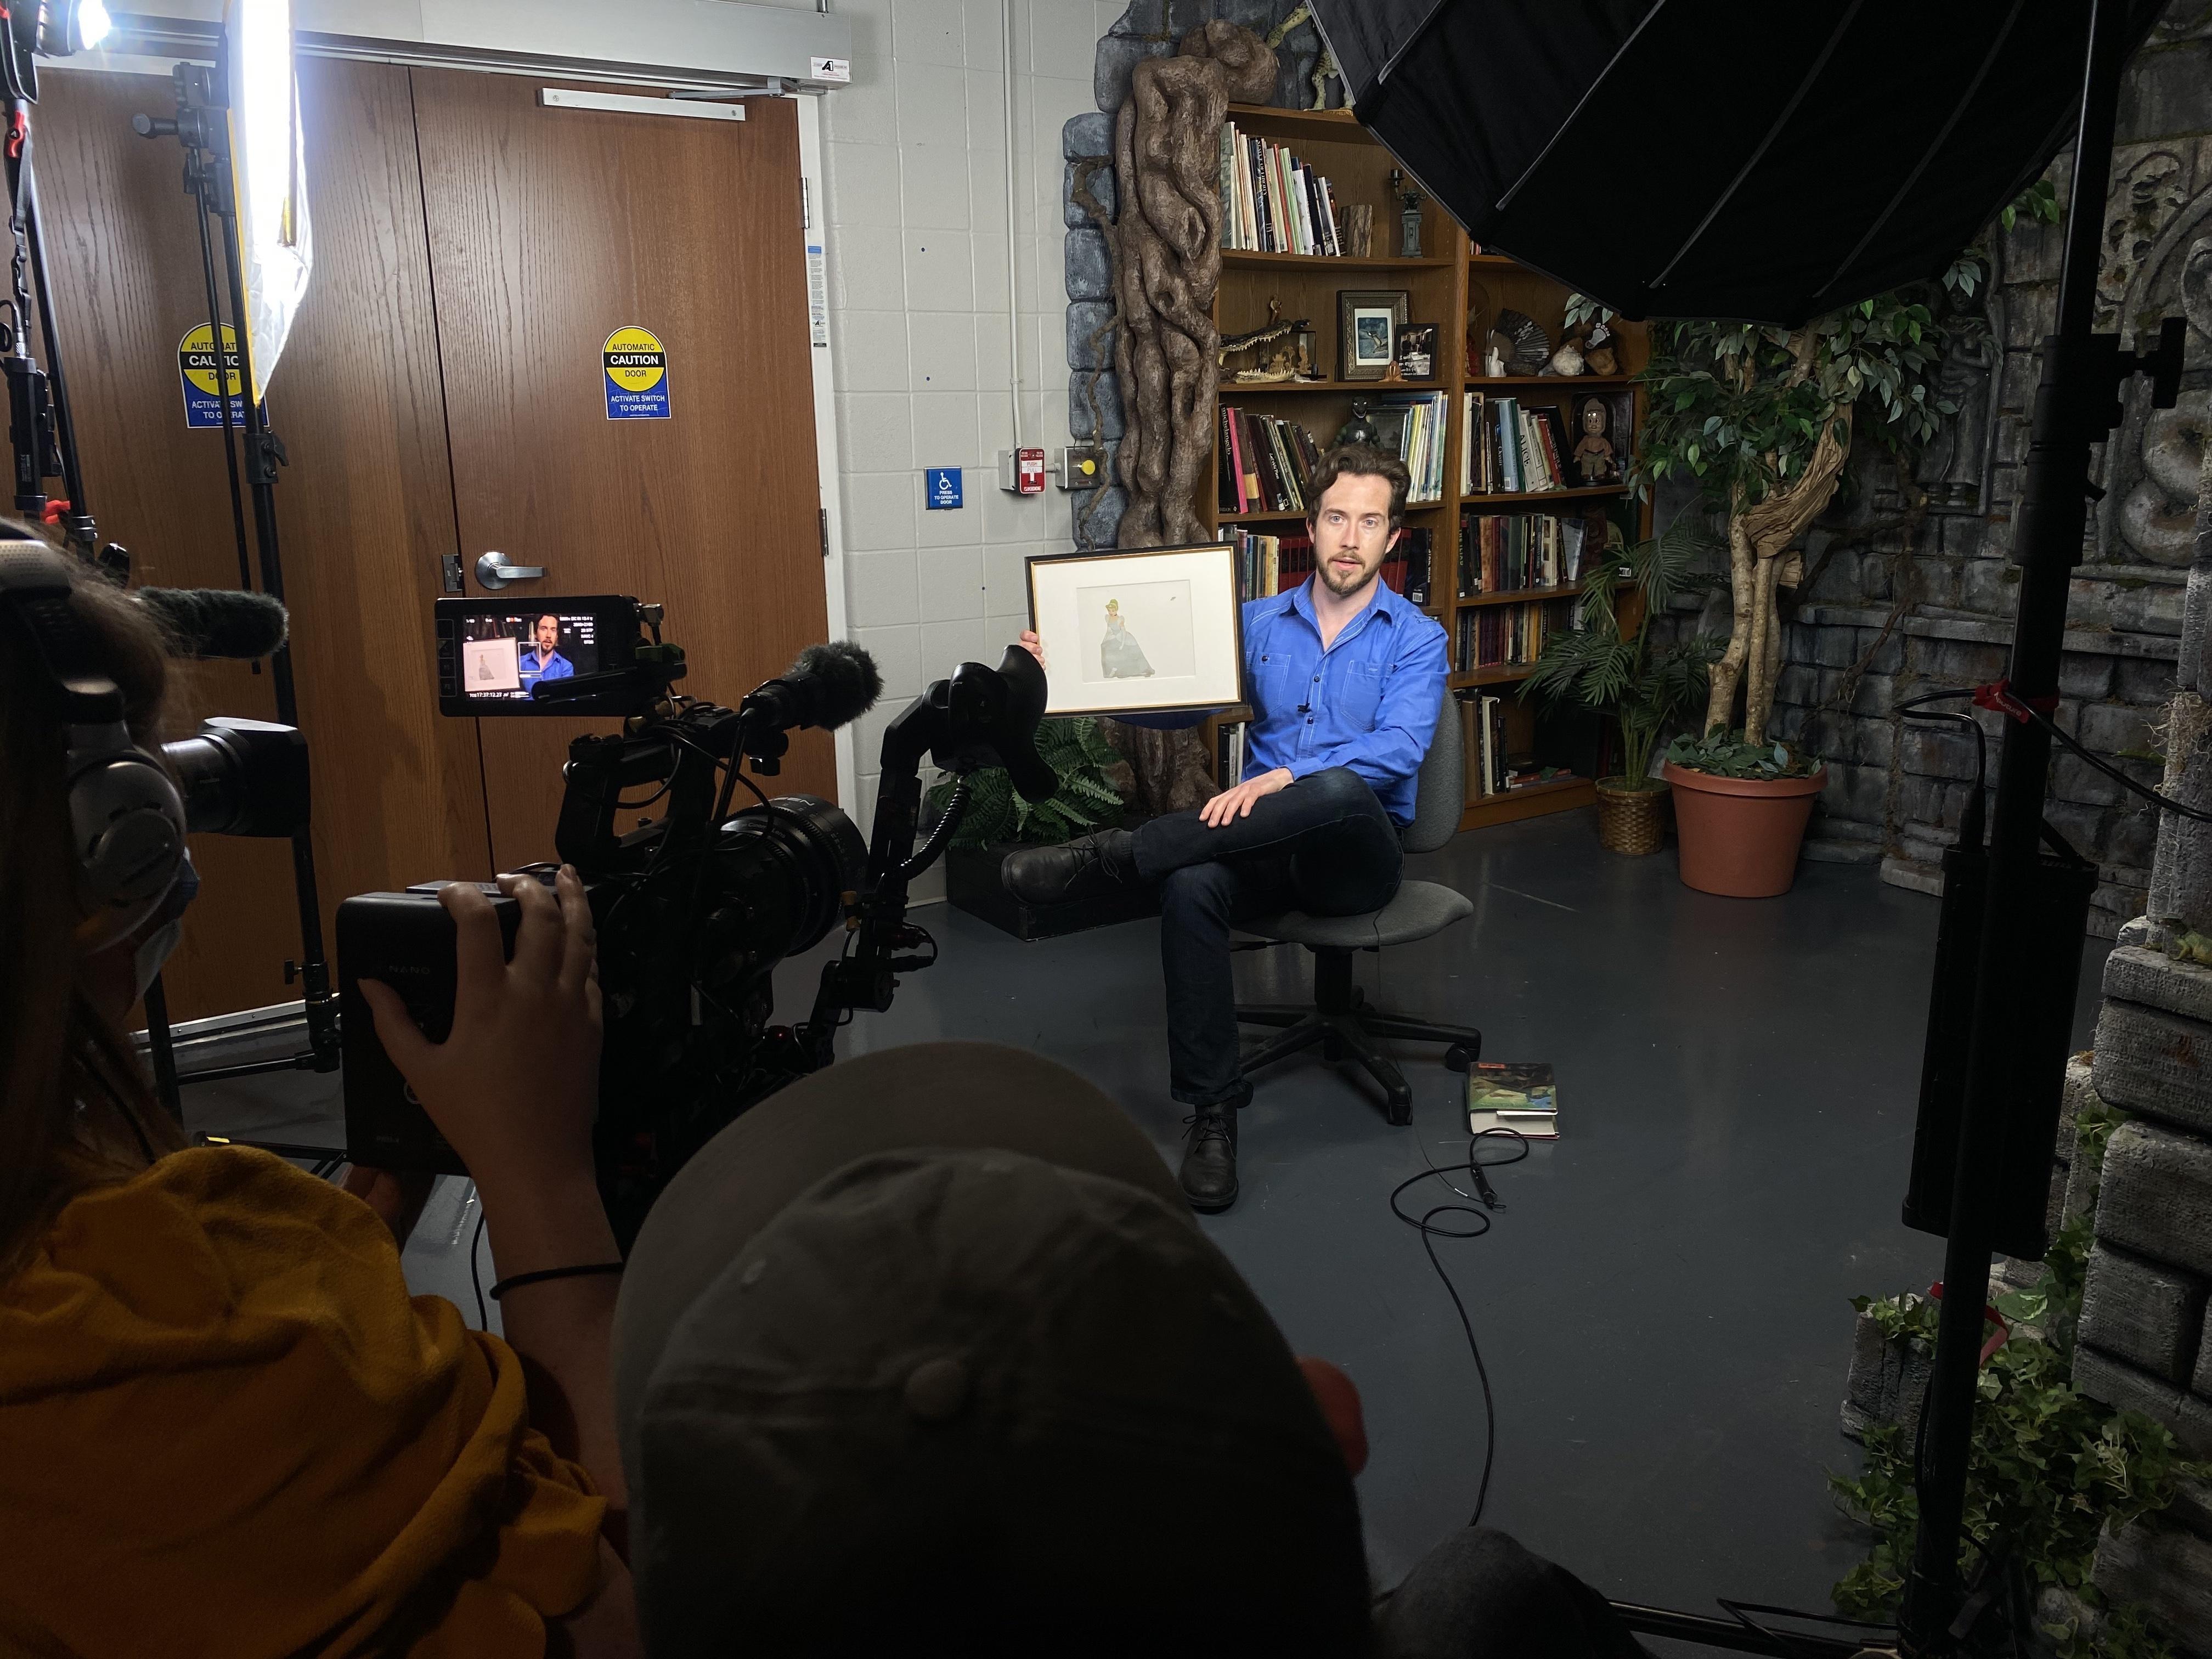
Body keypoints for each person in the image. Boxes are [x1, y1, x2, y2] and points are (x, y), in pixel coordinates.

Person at [0, 544, 639, 1655]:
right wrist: (541, 1176)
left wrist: (326, 1294)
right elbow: (620, 1607)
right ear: (115, 844)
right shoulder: (144, 1316)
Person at [1005, 445, 1449, 1213]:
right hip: (1264, 846)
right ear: (1311, 525)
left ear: (1393, 537)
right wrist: (1067, 671)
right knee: (1193, 884)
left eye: (1369, 522)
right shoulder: (1255, 623)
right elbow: (1178, 698)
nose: (1351, 537)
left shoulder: (1417, 638)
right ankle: (1214, 1114)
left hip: (1356, 854)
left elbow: (1401, 750)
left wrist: (1289, 776)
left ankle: (1117, 858)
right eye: (1337, 517)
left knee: (1337, 782)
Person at [520, 612, 574, 689]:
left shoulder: (566, 667)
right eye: (544, 629)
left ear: (557, 636)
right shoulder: (520, 664)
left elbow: (567, 699)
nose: (549, 635)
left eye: (553, 630)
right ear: (535, 633)